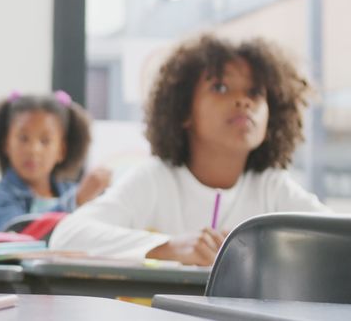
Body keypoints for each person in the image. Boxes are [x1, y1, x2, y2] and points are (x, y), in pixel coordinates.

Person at [49, 35, 330, 265]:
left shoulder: (273, 187)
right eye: (220, 87)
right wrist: (169, 247)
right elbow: (67, 236)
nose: (243, 101)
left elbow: (339, 240)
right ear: (184, 111)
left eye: (255, 93)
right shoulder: (155, 180)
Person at [0, 91, 110, 231]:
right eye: (23, 138)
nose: (33, 150)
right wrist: (75, 201)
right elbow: (19, 234)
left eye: (45, 141)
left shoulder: (72, 190)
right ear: (6, 144)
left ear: (61, 151)